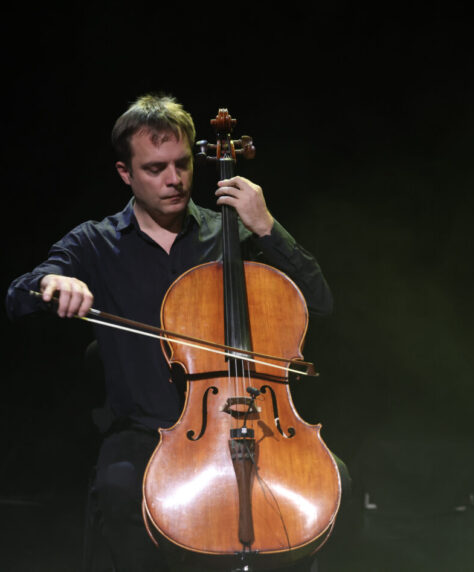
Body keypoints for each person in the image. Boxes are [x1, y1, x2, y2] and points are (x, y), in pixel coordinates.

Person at [6, 95, 342, 571]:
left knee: (334, 481)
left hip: (250, 422)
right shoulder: (95, 242)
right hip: (143, 432)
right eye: (155, 168)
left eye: (182, 164)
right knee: (120, 489)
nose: (175, 179)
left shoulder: (232, 234)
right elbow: (18, 297)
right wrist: (53, 283)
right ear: (125, 173)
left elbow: (320, 302)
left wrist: (268, 227)